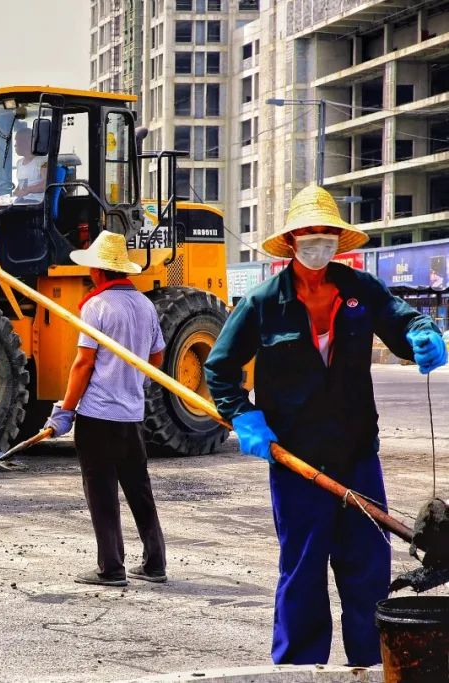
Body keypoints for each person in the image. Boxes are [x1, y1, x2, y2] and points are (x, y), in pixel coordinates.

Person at [204, 185, 448, 666]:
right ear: (292, 241)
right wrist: (244, 415)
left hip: (358, 457)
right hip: (296, 464)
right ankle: (298, 669)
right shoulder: (261, 303)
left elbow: (402, 321)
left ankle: (371, 666)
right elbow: (220, 368)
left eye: (327, 234)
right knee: (303, 572)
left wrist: (423, 334)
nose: (319, 241)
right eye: (309, 234)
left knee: (368, 570)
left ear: (339, 238)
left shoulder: (360, 291)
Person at [44, 231, 168, 588]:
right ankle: (155, 562)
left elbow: (83, 364)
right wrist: (134, 382)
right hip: (132, 415)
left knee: (101, 492)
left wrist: (64, 411)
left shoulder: (96, 307)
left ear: (98, 271)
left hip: (98, 416)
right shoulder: (145, 305)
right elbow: (156, 357)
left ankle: (111, 568)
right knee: (138, 488)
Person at [12, 126, 47, 203]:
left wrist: (28, 190)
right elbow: (23, 184)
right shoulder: (19, 163)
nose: (15, 145)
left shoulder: (43, 161)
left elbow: (46, 184)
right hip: (22, 201)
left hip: (36, 203)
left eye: (17, 141)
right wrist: (15, 192)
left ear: (27, 142)